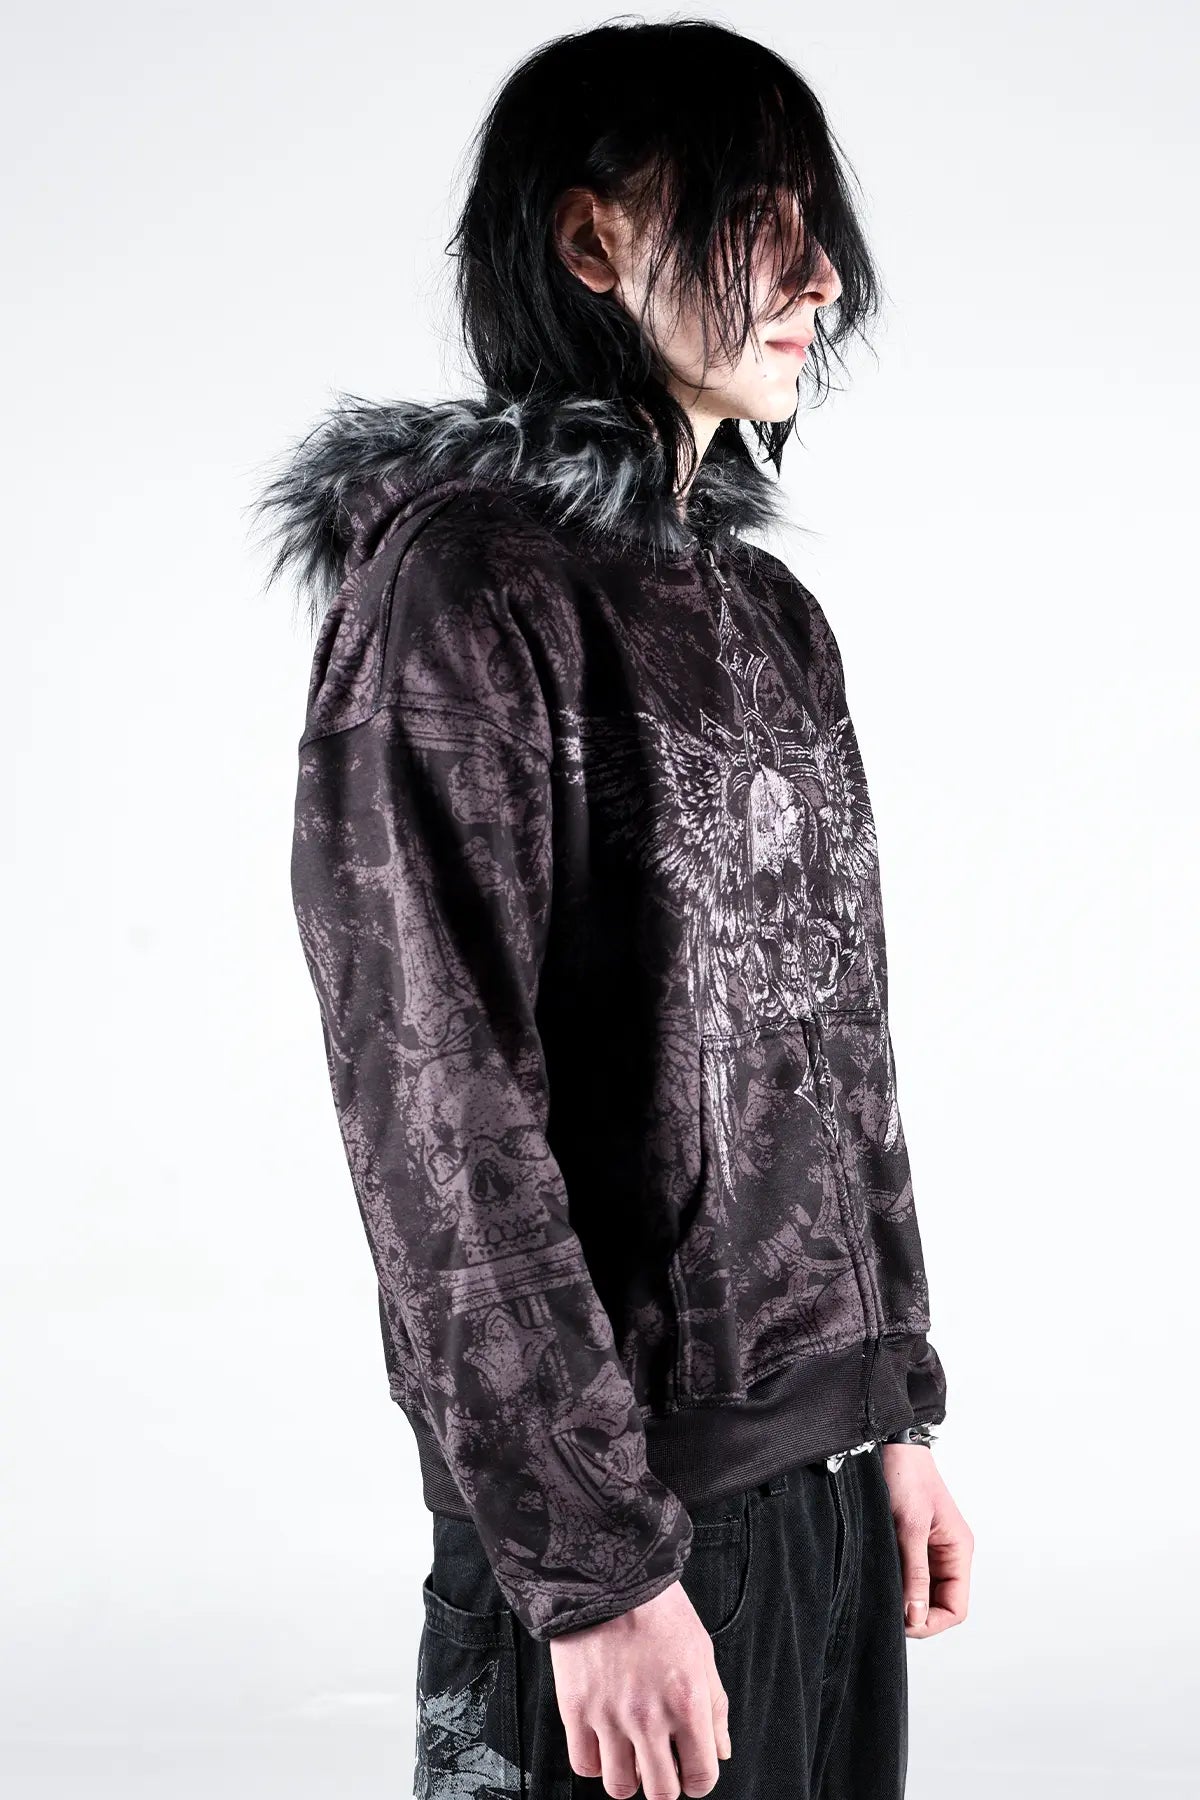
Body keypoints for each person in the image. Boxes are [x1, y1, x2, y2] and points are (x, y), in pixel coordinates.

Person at [250, 18, 973, 1799]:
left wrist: (887, 1409)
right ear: (593, 240)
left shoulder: (766, 615)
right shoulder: (462, 589)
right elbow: (438, 1115)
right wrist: (594, 1574)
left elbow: (836, 1051)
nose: (819, 275)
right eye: (756, 216)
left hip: (817, 1501)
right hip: (619, 1533)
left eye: (817, 221)